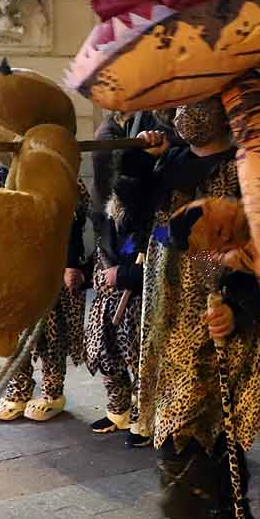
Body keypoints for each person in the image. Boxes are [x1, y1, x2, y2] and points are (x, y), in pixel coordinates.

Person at [125, 98, 260, 519]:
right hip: (168, 312)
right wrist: (138, 166)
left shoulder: (249, 166)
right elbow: (132, 229)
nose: (184, 110)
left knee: (187, 421)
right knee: (208, 422)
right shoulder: (168, 160)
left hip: (218, 318)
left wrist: (240, 305)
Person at [85, 110, 168, 435]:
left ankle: (142, 416)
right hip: (107, 272)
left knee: (137, 353)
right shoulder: (108, 200)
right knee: (105, 349)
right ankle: (118, 409)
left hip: (134, 285)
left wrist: (126, 276)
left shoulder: (154, 204)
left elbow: (161, 251)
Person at [0, 175, 91, 422]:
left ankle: (52, 394)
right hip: (12, 270)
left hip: (49, 268)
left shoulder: (61, 174)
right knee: (12, 333)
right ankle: (19, 391)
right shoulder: (2, 172)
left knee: (52, 336)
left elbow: (73, 222)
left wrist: (70, 263)